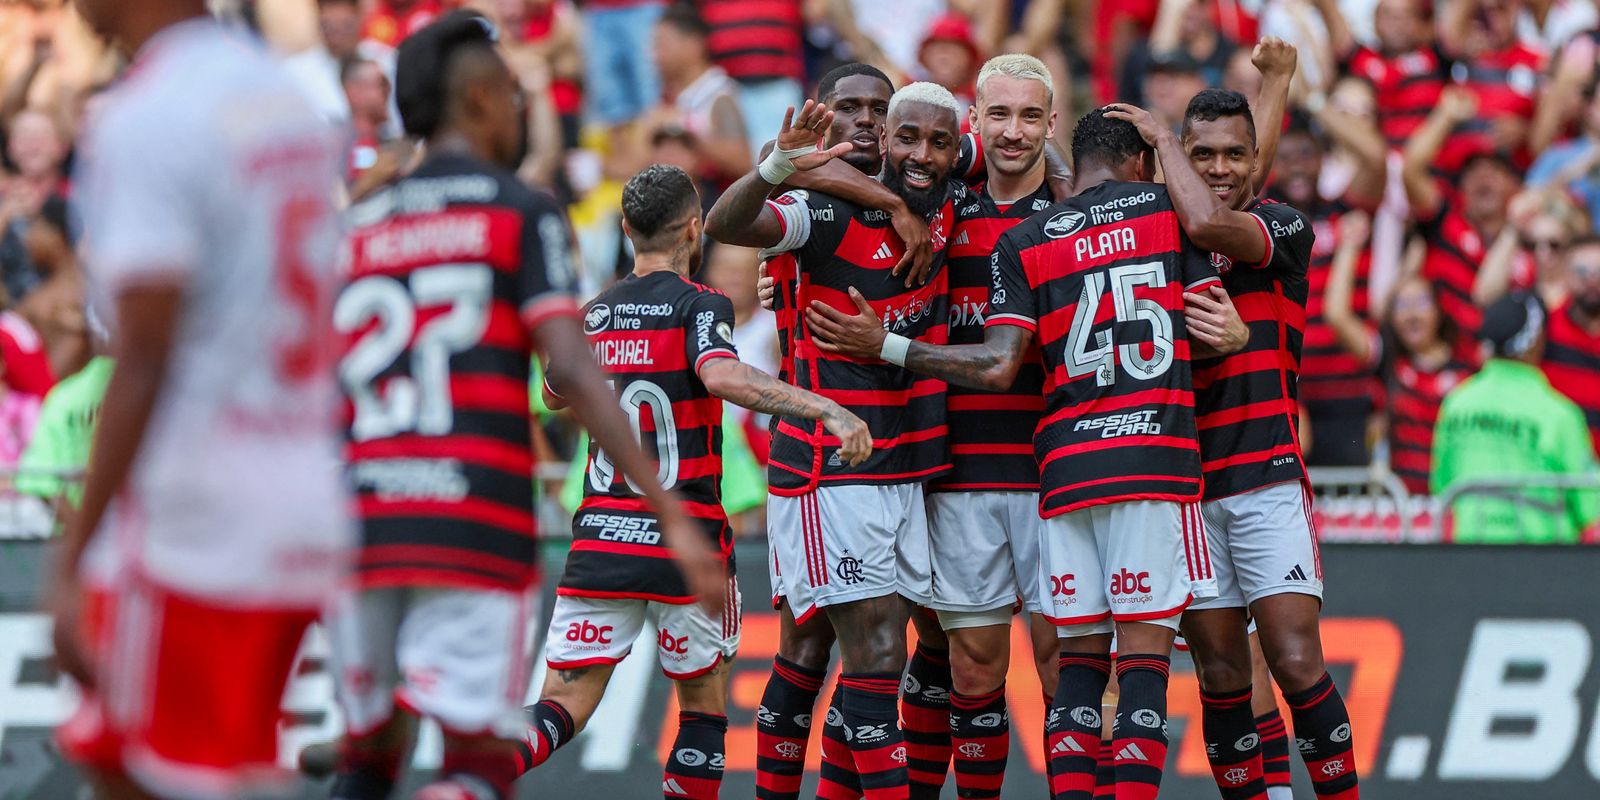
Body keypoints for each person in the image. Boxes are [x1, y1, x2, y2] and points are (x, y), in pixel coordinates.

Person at [325, 13, 722, 800]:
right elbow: (570, 367)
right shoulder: (518, 209)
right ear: (478, 99)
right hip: (472, 517)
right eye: (512, 93)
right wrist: (670, 510)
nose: (520, 110)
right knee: (475, 761)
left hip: (360, 517)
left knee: (366, 761)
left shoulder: (360, 220)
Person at [804, 106, 1233, 800]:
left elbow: (1004, 357)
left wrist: (878, 340)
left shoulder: (1033, 235)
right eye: (997, 114)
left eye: (1031, 115)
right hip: (1129, 458)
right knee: (1123, 666)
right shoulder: (1164, 210)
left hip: (1058, 474)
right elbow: (1218, 244)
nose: (1013, 130)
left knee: (1072, 667)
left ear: (1056, 129)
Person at [48, 1, 352, 797]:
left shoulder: (148, 114)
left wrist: (73, 555)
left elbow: (143, 353)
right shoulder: (283, 100)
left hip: (193, 517)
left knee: (136, 774)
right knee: (234, 775)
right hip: (300, 496)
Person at [519, 162, 871, 800]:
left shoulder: (592, 315)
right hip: (687, 542)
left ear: (625, 228)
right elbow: (723, 378)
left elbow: (553, 392)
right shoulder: (700, 305)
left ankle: (479, 774)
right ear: (693, 229)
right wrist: (825, 406)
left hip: (601, 539)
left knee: (562, 703)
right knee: (703, 708)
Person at [705, 82, 968, 800]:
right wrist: (779, 169)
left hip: (903, 462)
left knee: (832, 654)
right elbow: (731, 221)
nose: (866, 123)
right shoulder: (821, 210)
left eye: (878, 112)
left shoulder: (942, 188)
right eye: (848, 108)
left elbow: (1027, 155)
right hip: (830, 464)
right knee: (867, 651)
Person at [1108, 84, 1362, 800]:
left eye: (1235, 154)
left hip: (1267, 477)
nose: (1220, 167)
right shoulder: (1150, 241)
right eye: (1203, 154)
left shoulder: (1282, 226)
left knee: (1292, 657)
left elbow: (1213, 223)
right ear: (1181, 158)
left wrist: (1163, 141)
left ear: (1259, 160)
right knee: (1222, 676)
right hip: (1184, 488)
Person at [1325, 212, 1475, 497]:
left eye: (1420, 302)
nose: (1412, 313)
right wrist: (1349, 246)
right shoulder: (1388, 360)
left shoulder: (1467, 368)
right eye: (1402, 306)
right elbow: (1336, 315)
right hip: (1402, 508)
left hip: (1453, 501)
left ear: (1439, 311)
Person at [1432, 292, 1600, 543]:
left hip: (1468, 555)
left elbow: (1442, 485)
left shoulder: (1457, 403)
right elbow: (1591, 509)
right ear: (1537, 340)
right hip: (1544, 564)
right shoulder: (1558, 415)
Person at [1404, 88, 1524, 341]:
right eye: (1473, 171)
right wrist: (1446, 116)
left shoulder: (1533, 239)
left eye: (1494, 171)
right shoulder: (1445, 220)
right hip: (1445, 357)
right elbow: (1411, 169)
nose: (1483, 178)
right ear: (1462, 188)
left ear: (1514, 185)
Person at [643, 5, 749, 188]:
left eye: (662, 45)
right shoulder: (665, 97)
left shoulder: (719, 95)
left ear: (694, 44)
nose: (654, 56)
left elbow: (744, 163)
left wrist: (685, 127)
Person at [1541, 235, 1600, 452]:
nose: (1592, 280)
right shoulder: (1543, 331)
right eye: (1582, 271)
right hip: (1555, 466)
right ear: (1565, 275)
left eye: (1599, 272)